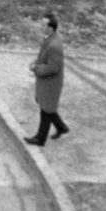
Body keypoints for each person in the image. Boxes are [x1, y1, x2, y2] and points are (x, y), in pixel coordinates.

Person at [24, 11, 67, 146]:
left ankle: (40, 138)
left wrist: (36, 68)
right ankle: (62, 127)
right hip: (48, 83)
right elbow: (44, 57)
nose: (40, 27)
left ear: (50, 27)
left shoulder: (54, 45)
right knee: (48, 108)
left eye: (43, 25)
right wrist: (36, 62)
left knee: (46, 110)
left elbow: (52, 68)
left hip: (51, 84)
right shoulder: (51, 38)